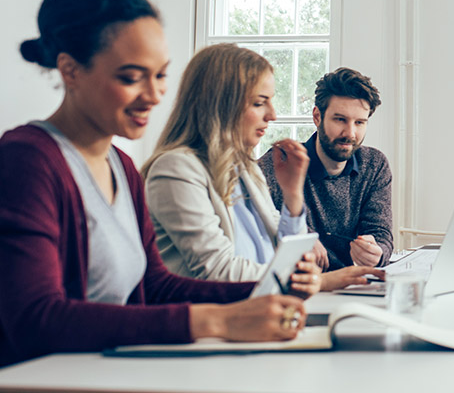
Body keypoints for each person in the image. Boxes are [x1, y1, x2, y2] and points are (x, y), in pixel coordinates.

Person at [0, 0, 307, 368]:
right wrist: (215, 319)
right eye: (130, 78)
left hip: (107, 374)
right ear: (71, 70)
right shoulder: (27, 160)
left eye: (160, 75)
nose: (155, 95)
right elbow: (35, 320)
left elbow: (154, 285)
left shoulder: (122, 167)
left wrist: (269, 293)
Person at [143, 44, 380, 292]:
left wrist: (293, 195)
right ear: (220, 106)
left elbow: (289, 251)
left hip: (260, 312)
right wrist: (317, 281)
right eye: (259, 103)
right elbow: (218, 269)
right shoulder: (176, 169)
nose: (272, 115)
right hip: (212, 321)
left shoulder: (245, 169)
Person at [258, 67, 393, 270]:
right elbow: (263, 225)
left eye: (359, 122)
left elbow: (381, 232)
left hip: (355, 284)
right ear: (317, 117)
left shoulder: (375, 164)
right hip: (299, 285)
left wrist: (377, 252)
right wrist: (301, 236)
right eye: (340, 119)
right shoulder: (280, 162)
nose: (350, 133)